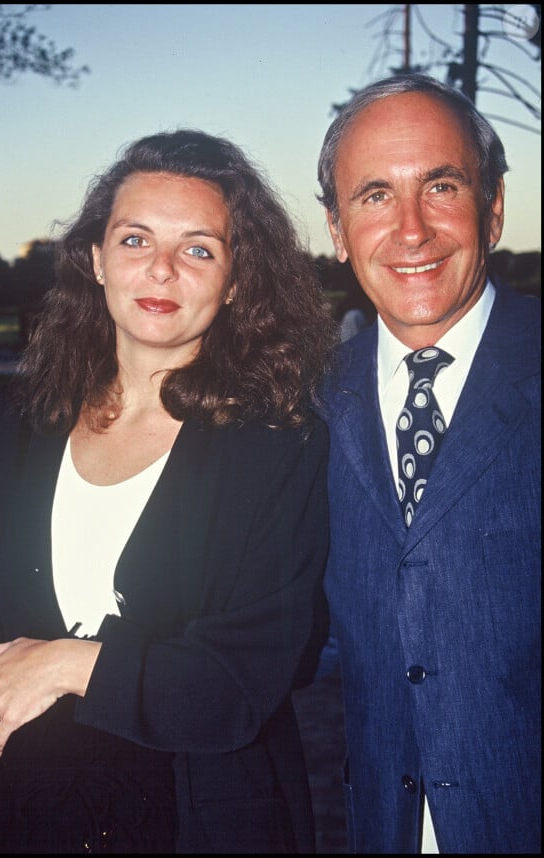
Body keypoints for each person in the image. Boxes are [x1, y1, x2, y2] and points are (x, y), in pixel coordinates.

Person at [0, 128, 338, 854]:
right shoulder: (17, 420)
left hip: (196, 818)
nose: (162, 269)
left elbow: (240, 682)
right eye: (136, 240)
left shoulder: (277, 445)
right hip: (18, 811)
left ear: (235, 282)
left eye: (198, 248)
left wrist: (67, 664)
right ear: (97, 261)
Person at [315, 73, 541, 854]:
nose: (411, 230)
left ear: (494, 206)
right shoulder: (307, 408)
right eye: (375, 195)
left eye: (440, 186)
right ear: (338, 231)